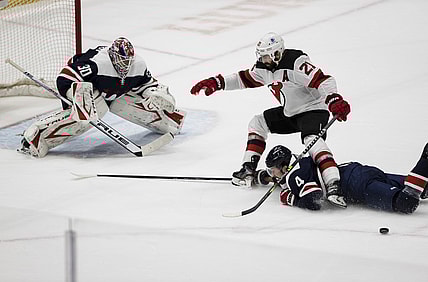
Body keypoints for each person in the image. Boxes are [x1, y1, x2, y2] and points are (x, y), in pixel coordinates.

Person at [190, 32, 350, 208]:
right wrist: (217, 82)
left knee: (312, 141)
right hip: (290, 112)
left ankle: (333, 184)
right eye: (261, 55)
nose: (263, 59)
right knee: (258, 123)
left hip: (313, 109)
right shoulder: (263, 68)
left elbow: (324, 80)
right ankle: (248, 169)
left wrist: (334, 99)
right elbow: (242, 79)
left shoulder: (296, 62)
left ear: (277, 53)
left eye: (266, 55)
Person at [19, 37, 186, 157]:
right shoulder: (97, 63)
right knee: (92, 113)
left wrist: (155, 94)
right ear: (112, 56)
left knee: (143, 102)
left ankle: (169, 120)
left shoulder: (138, 65)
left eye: (128, 61)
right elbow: (65, 78)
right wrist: (76, 97)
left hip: (116, 92)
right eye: (121, 60)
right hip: (91, 89)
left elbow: (147, 84)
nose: (125, 65)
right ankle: (37, 136)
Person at [254, 143, 428, 213]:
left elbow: (313, 200)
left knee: (406, 202)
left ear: (284, 166)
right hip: (355, 171)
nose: (272, 174)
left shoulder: (294, 176)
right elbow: (283, 179)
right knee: (423, 186)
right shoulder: (300, 161)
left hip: (356, 186)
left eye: (272, 170)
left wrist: (290, 198)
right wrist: (260, 177)